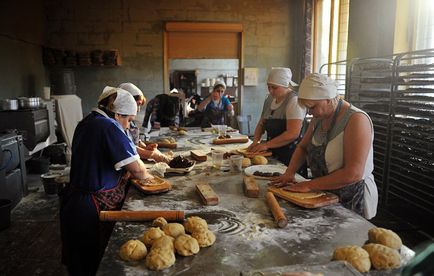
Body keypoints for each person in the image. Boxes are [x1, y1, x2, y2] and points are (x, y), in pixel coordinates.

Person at [60, 87, 154, 275]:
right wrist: (148, 175)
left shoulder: (88, 122)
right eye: (128, 120)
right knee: (95, 263)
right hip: (91, 208)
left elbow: (100, 160)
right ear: (118, 114)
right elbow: (138, 170)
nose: (128, 126)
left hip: (76, 202)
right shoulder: (107, 126)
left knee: (81, 262)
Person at [270, 73, 378, 219]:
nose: (310, 112)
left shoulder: (356, 120)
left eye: (312, 107)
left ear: (329, 99)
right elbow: (302, 148)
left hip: (352, 196)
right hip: (323, 192)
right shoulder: (319, 117)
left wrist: (309, 185)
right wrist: (289, 172)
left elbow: (353, 173)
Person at [247, 67, 307, 166]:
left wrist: (266, 145)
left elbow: (293, 133)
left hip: (291, 154)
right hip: (273, 152)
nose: (270, 91)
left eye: (274, 87)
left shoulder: (294, 101)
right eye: (268, 86)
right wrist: (255, 142)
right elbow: (261, 124)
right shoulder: (269, 99)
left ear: (285, 85)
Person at [117, 83, 170, 163]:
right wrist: (153, 155)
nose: (138, 109)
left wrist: (146, 148)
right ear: (127, 101)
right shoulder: (115, 122)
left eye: (140, 105)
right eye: (137, 104)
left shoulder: (130, 121)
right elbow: (126, 147)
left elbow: (136, 142)